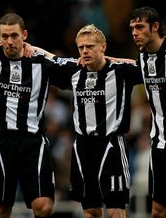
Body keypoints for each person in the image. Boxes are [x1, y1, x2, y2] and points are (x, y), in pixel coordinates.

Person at [0, 12, 75, 218]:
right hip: (0, 141)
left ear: (24, 35)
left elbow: (73, 65)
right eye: (4, 36)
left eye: (14, 35)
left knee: (43, 206)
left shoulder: (41, 61)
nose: (9, 41)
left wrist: (41, 51)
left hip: (33, 141)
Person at [33, 24, 143, 218]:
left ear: (103, 47)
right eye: (81, 47)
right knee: (90, 211)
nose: (85, 51)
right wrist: (25, 45)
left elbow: (149, 64)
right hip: (83, 146)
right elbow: (50, 58)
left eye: (91, 46)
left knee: (116, 211)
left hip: (111, 145)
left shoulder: (120, 71)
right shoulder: (74, 70)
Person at [129, 6, 166, 218]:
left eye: (140, 27)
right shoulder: (141, 59)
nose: (135, 33)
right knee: (158, 211)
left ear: (156, 26)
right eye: (132, 28)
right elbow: (121, 65)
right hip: (158, 143)